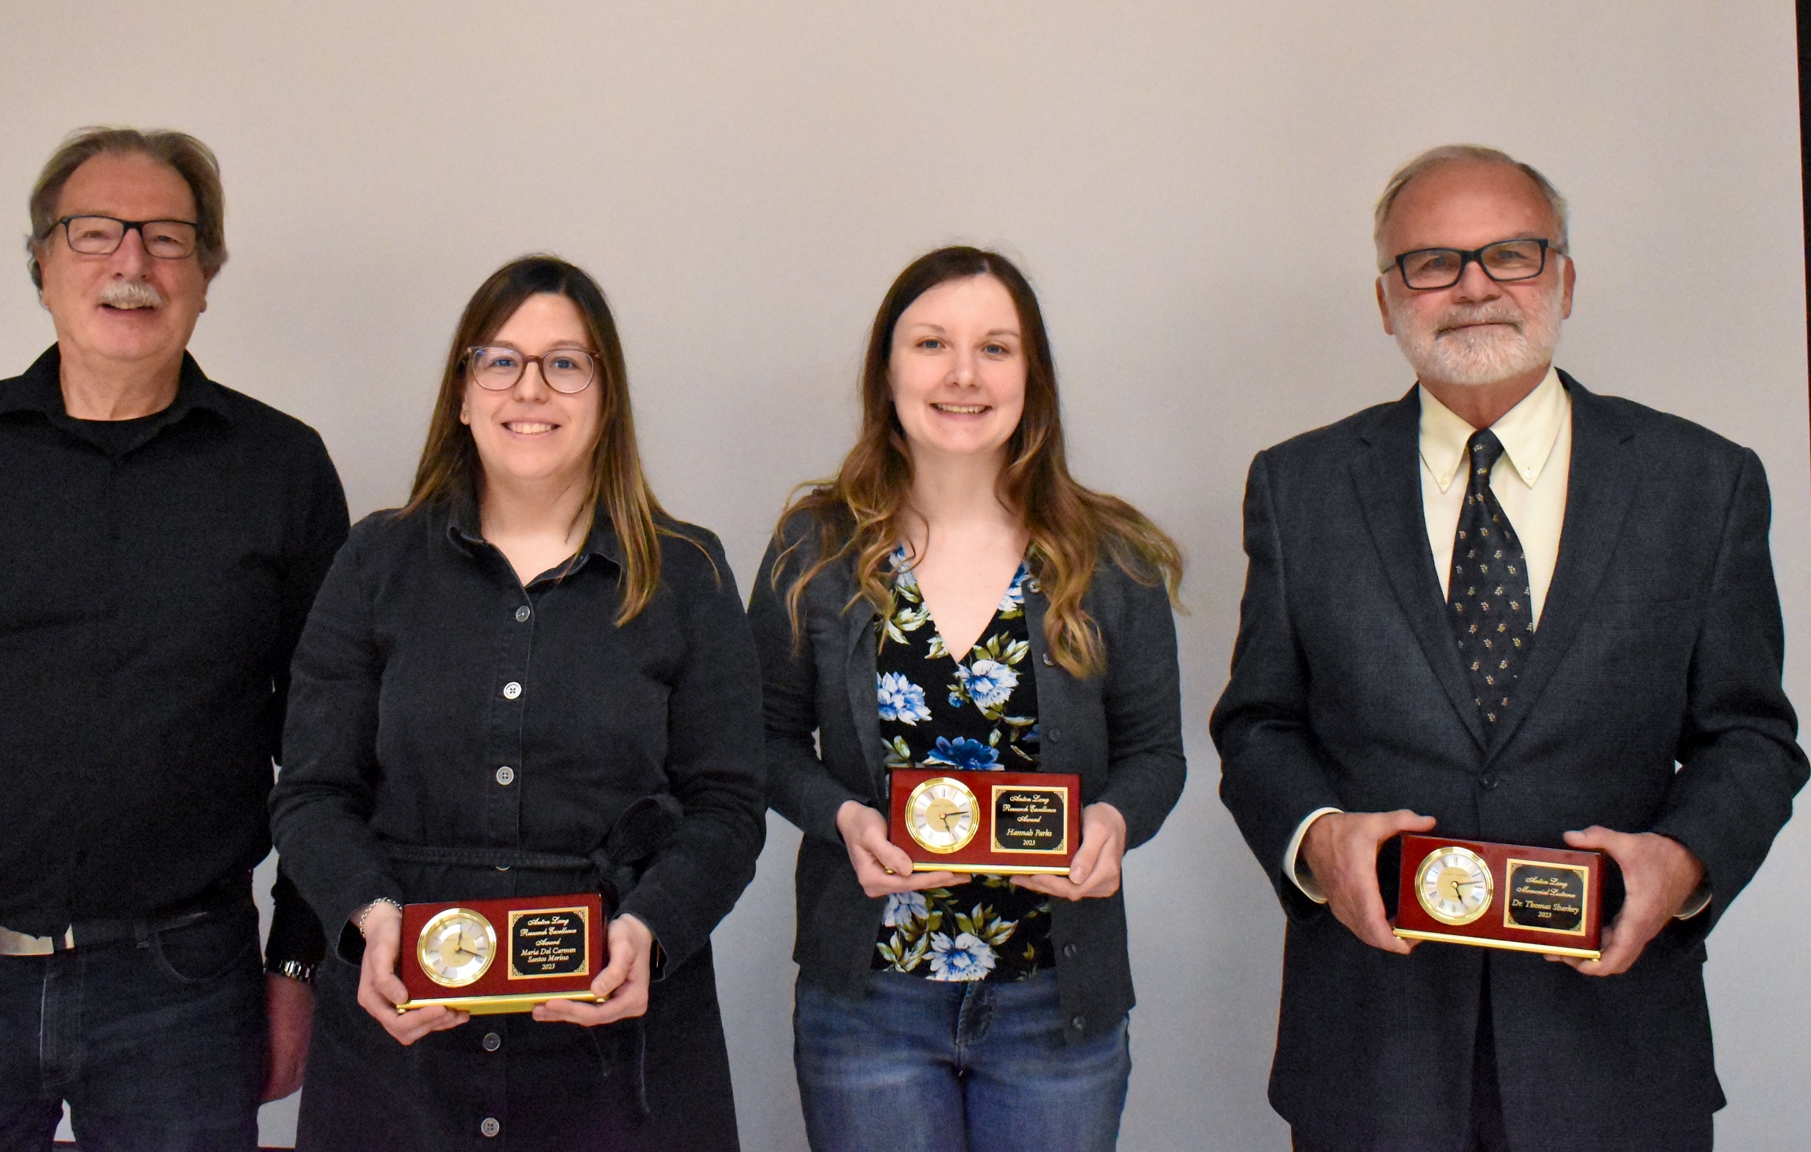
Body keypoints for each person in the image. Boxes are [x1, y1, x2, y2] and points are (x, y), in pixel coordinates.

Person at [1211, 144, 1808, 1151]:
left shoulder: (1699, 483)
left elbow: (1748, 737)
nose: (1474, 285)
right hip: (1371, 1049)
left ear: (1563, 279)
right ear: (1385, 298)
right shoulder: (1298, 484)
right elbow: (1259, 723)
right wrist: (1315, 837)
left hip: (1612, 1048)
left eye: (1511, 255)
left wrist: (1683, 860)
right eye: (1432, 262)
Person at [0, 127, 348, 1149]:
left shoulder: (281, 469)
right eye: (94, 234)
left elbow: (331, 749)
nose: (131, 263)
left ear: (207, 275)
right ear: (41, 263)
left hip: (187, 990)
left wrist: (297, 965)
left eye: (167, 238)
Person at [268, 255, 765, 1151]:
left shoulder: (687, 574)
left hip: (620, 1058)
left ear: (605, 396)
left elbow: (727, 805)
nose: (530, 387)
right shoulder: (374, 563)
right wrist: (371, 919)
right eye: (500, 360)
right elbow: (311, 791)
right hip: (402, 1052)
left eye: (565, 363)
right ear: (462, 393)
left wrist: (652, 927)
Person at [748, 246, 1187, 1152]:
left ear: (1033, 375)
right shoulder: (817, 548)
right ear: (888, 369)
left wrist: (1111, 825)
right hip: (868, 1001)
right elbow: (765, 740)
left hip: (1055, 1003)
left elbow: (1157, 755)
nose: (961, 374)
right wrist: (842, 821)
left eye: (996, 347)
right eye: (931, 343)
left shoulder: (1109, 554)